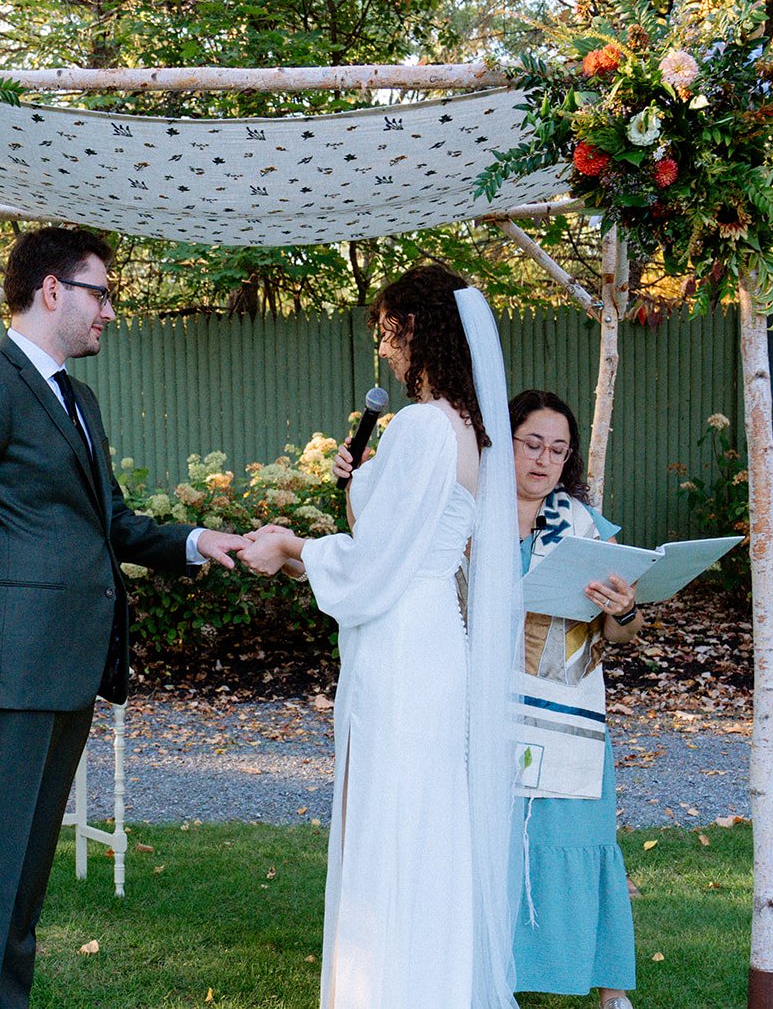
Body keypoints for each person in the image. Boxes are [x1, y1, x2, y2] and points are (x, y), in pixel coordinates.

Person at [0, 226, 251, 1009]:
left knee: (22, 875)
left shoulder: (75, 397)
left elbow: (111, 523)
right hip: (9, 667)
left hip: (63, 669)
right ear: (51, 289)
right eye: (101, 292)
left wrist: (198, 540)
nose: (111, 310)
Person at [240, 263, 524, 1009]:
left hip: (403, 641)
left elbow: (371, 563)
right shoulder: (469, 430)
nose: (388, 352)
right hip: (435, 633)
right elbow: (400, 541)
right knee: (423, 818)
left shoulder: (425, 425)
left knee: (392, 814)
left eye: (391, 333)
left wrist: (290, 546)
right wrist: (359, 482)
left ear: (421, 330)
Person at [507, 388, 641, 1009]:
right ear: (500, 442)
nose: (543, 461)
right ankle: (490, 971)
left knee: (579, 835)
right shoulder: (464, 517)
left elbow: (620, 634)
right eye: (532, 444)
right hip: (490, 707)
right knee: (500, 841)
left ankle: (611, 991)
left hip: (571, 711)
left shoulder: (581, 527)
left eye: (558, 450)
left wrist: (626, 610)